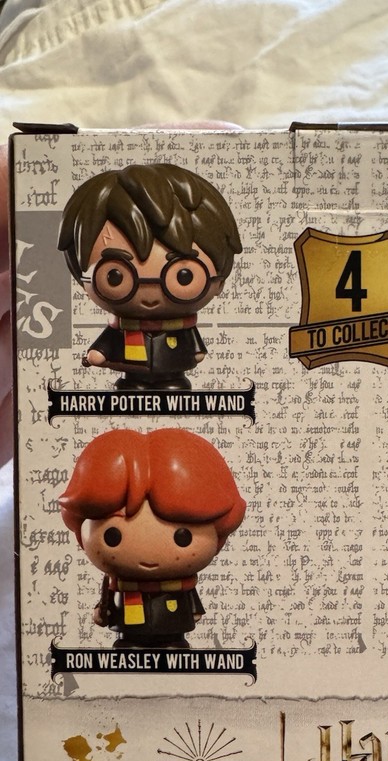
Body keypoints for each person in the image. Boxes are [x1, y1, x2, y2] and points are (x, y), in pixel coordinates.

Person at [58, 161, 242, 390]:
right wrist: (99, 353)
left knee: (175, 393)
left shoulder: (181, 326)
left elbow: (195, 348)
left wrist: (197, 352)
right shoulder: (123, 326)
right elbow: (107, 344)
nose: (149, 295)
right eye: (115, 276)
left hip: (174, 378)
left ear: (219, 282)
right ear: (83, 280)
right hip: (131, 379)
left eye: (183, 276)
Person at [59, 427, 246, 648]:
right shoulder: (119, 585)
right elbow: (107, 602)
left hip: (173, 632)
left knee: (175, 652)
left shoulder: (180, 585)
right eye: (112, 537)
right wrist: (103, 610)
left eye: (183, 537)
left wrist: (195, 610)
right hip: (129, 635)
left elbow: (192, 602)